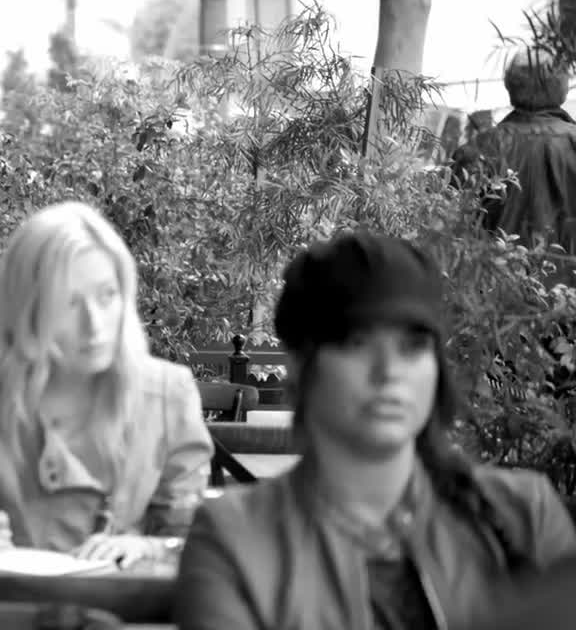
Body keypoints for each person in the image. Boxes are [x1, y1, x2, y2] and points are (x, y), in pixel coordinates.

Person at [175, 232, 576, 630]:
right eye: (356, 342)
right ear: (298, 367)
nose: (389, 372)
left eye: (412, 347)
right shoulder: (234, 538)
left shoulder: (525, 515)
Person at [0, 202, 213, 566]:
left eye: (107, 295)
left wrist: (146, 548)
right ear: (27, 308)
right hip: (3, 598)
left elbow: (192, 539)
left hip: (127, 599)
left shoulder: (169, 393)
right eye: (69, 303)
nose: (95, 325)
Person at [452, 46, 576, 257]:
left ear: (510, 85)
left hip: (492, 273)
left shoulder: (476, 150)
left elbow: (448, 230)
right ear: (563, 88)